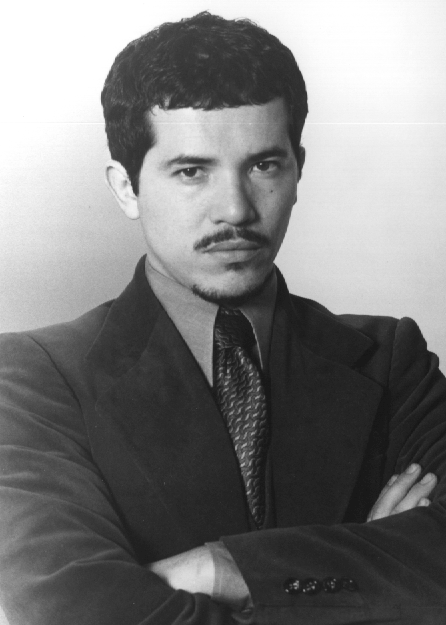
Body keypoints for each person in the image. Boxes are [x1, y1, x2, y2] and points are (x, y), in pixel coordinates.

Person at [0, 11, 445, 625]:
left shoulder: (391, 359)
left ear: (298, 170)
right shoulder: (32, 377)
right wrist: (366, 573)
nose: (235, 209)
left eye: (264, 165)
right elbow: (71, 607)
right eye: (192, 171)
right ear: (127, 189)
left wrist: (219, 569)